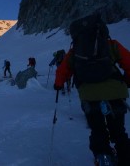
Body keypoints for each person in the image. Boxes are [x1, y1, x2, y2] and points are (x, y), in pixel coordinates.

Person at [54, 15, 130, 166]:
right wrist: (127, 81)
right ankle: (125, 158)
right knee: (118, 131)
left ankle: (103, 158)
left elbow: (62, 71)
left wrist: (58, 85)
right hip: (115, 93)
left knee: (98, 130)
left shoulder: (75, 51)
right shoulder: (111, 44)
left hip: (89, 96)